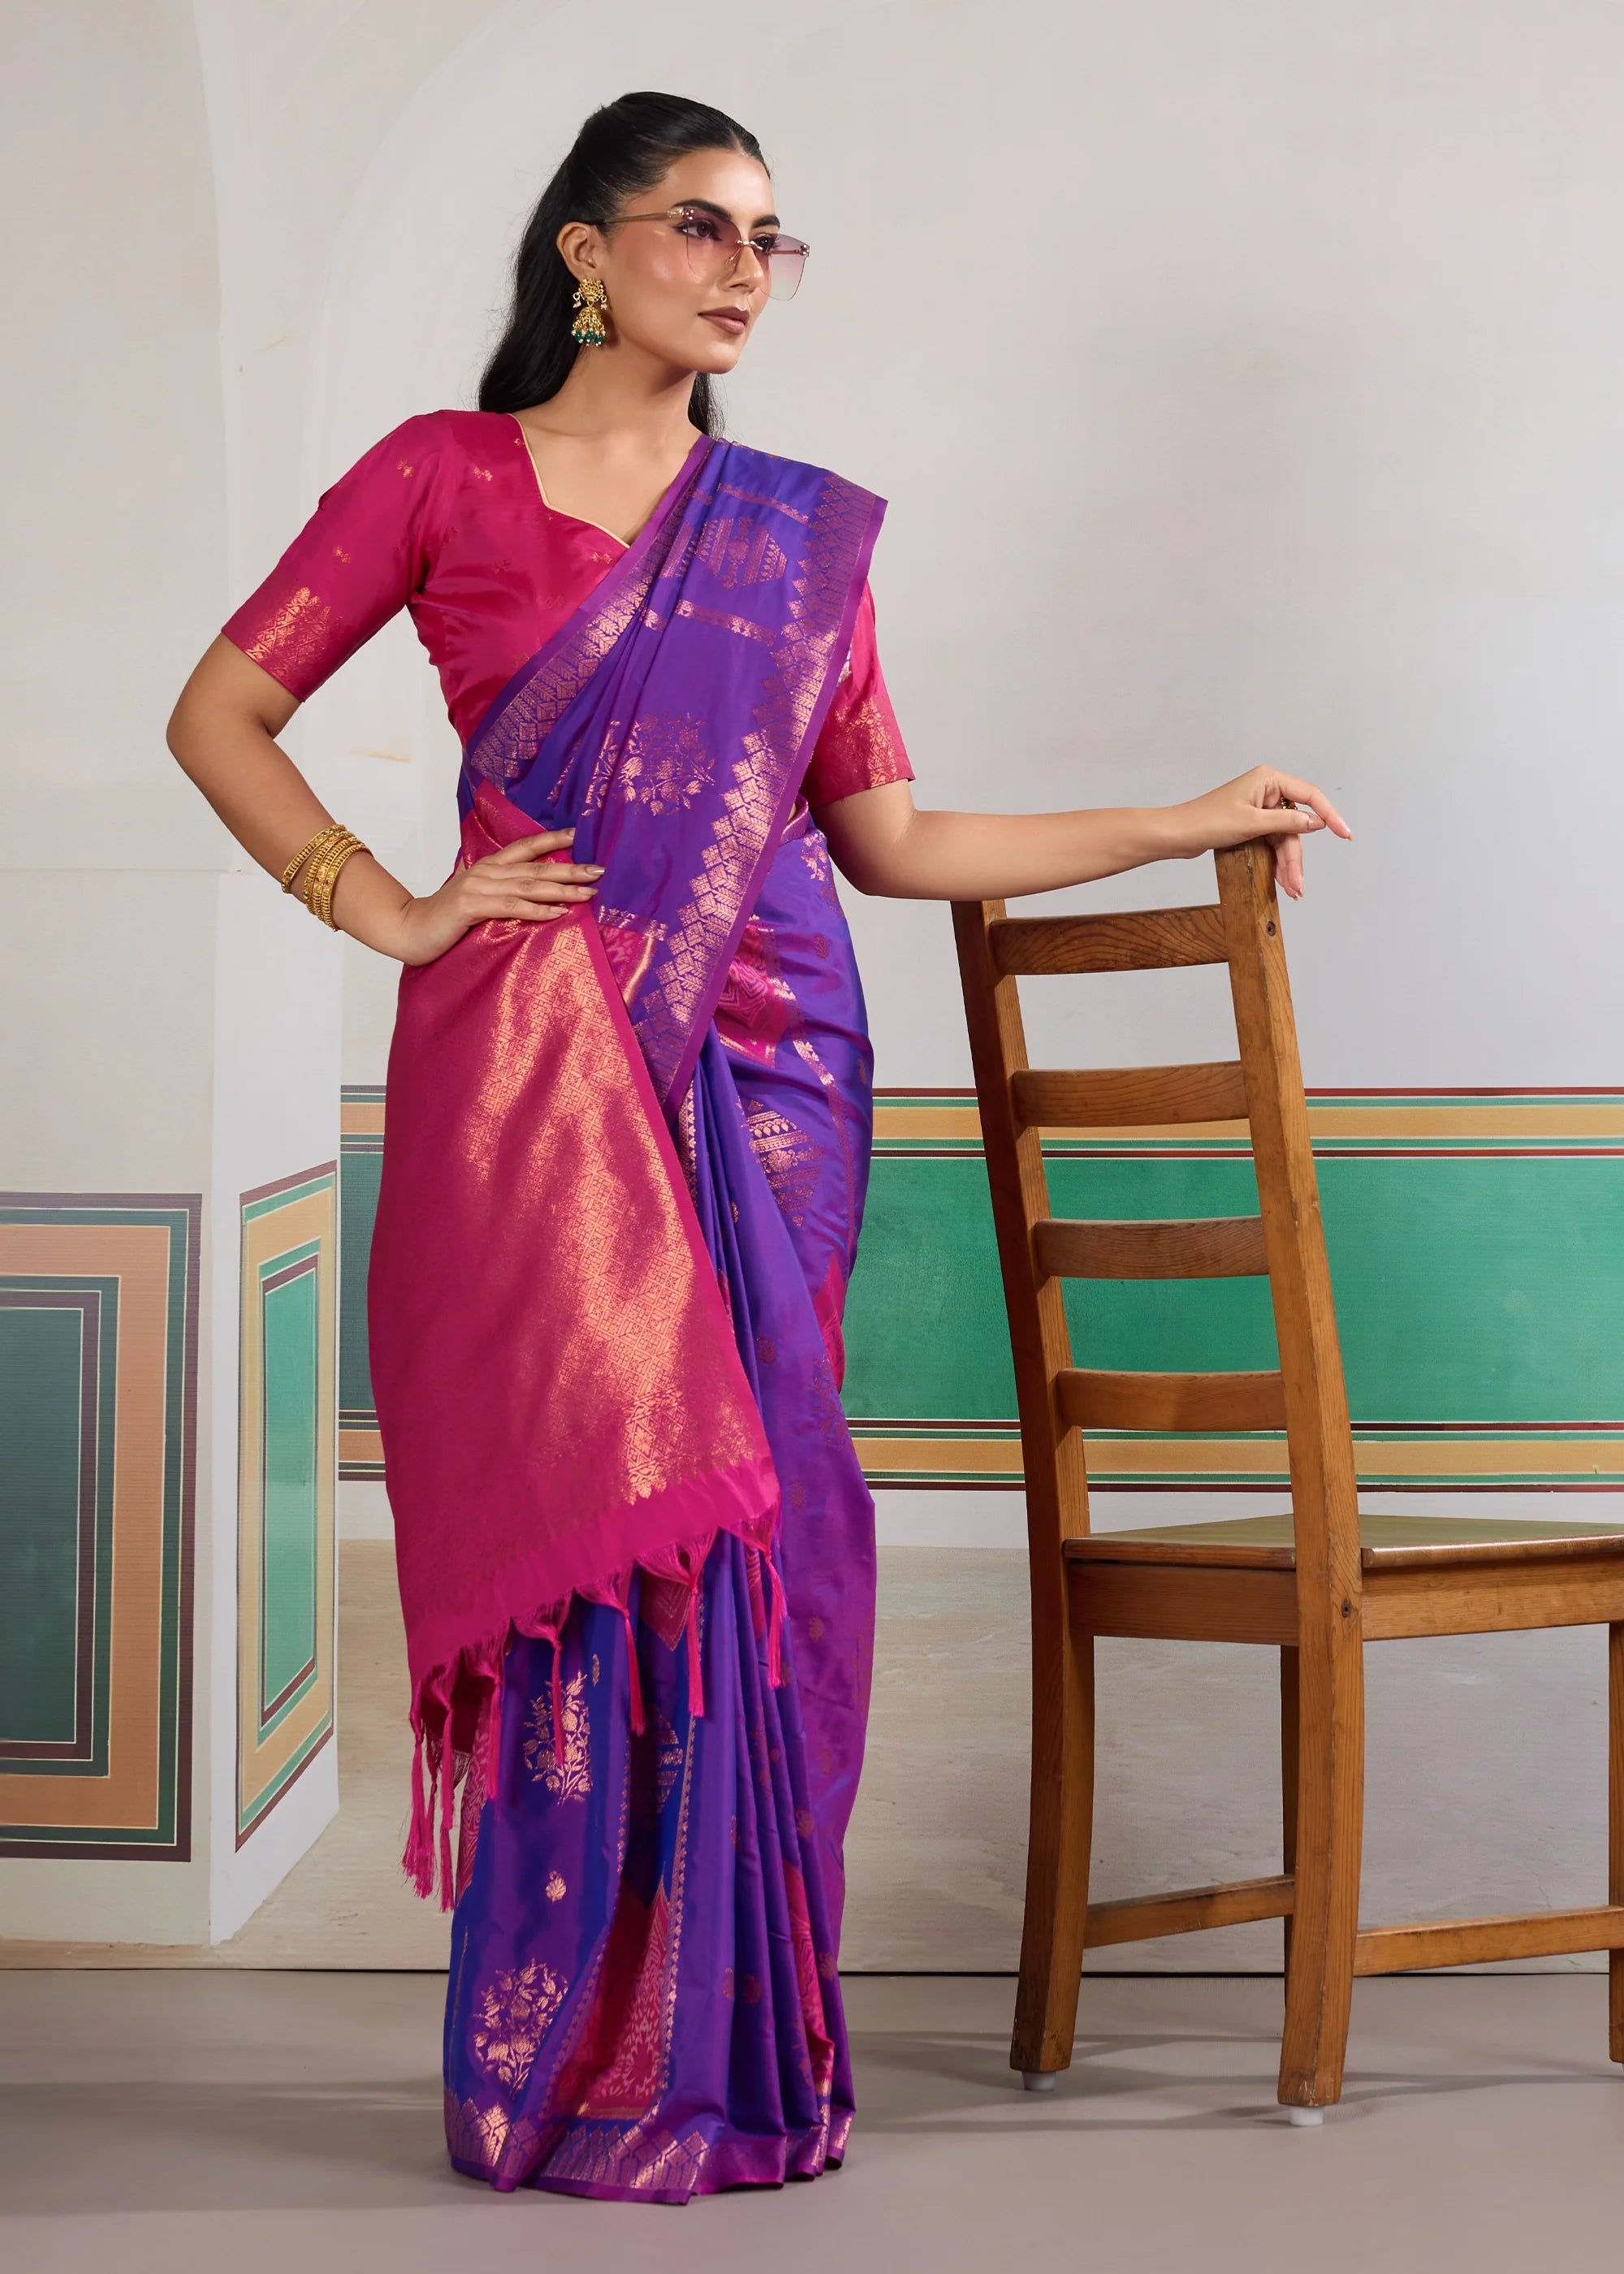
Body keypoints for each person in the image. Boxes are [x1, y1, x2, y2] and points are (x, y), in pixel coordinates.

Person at [168, 90, 1350, 2203]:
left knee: (756, 1527)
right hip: (538, 1078)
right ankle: (571, 2056)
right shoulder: (440, 476)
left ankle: (723, 2054)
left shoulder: (797, 537)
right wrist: (391, 906)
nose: (744, 272)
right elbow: (217, 715)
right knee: (598, 1528)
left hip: (778, 1067)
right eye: (703, 226)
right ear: (587, 252)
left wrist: (1182, 818)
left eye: (769, 239)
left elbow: (890, 838)